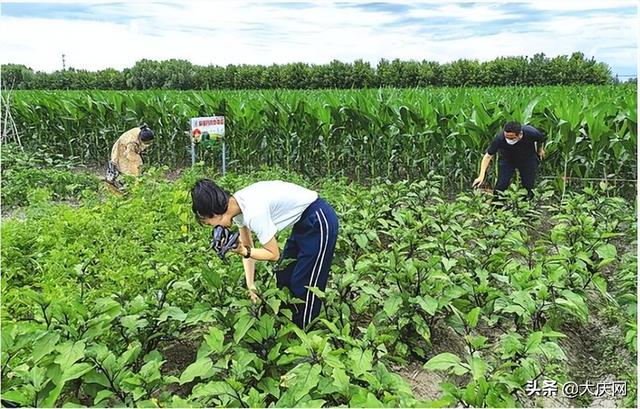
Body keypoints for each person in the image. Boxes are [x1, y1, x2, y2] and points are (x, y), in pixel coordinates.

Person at [191, 179, 339, 329]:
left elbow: (273, 254)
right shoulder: (237, 205)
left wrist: (244, 251)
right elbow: (248, 246)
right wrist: (251, 285)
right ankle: (287, 326)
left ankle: (302, 336)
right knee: (284, 274)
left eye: (211, 224)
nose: (215, 228)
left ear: (216, 214)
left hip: (319, 220)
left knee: (305, 285)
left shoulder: (254, 212)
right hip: (302, 222)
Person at [472, 121, 546, 199]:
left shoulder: (531, 132)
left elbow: (540, 140)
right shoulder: (500, 138)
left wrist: (540, 150)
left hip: (527, 159)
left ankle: (527, 205)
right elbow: (487, 156)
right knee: (501, 186)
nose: (508, 140)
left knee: (529, 186)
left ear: (520, 135)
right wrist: (481, 176)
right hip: (508, 161)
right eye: (506, 137)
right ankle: (497, 207)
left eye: (511, 138)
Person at [106, 124, 155, 188]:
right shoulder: (131, 142)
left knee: (136, 166)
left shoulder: (145, 131)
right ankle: (121, 181)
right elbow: (131, 157)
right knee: (127, 166)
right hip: (122, 148)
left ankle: (131, 181)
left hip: (128, 146)